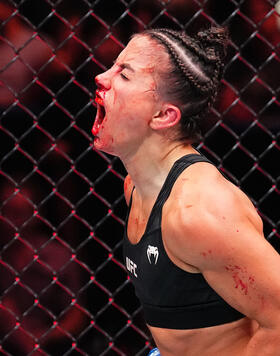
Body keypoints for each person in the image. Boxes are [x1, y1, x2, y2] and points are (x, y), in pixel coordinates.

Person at [92, 26, 280, 356]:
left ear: (164, 115)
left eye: (124, 75)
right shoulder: (135, 186)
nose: (101, 78)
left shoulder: (198, 213)